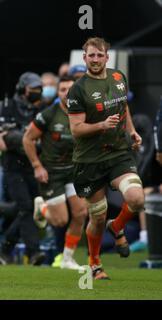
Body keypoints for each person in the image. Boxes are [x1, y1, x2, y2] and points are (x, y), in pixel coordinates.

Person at [67, 37, 144, 280]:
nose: (96, 59)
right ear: (85, 58)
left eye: (100, 55)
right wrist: (101, 124)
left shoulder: (119, 78)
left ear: (107, 57)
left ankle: (118, 226)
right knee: (97, 216)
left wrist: (131, 131)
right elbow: (76, 129)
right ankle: (94, 264)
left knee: (137, 198)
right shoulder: (78, 89)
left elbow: (124, 108)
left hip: (119, 152)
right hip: (89, 160)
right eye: (91, 55)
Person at [22, 75, 87, 270]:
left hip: (74, 171)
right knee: (61, 220)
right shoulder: (49, 114)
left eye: (70, 89)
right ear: (58, 93)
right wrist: (37, 166)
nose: (66, 93)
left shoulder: (84, 114)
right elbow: (27, 139)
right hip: (52, 173)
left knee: (81, 213)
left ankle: (67, 259)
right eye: (62, 89)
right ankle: (41, 208)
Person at [0, 72, 46, 266]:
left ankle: (4, 250)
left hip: (35, 165)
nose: (37, 92)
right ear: (22, 89)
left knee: (32, 209)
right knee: (26, 207)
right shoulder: (5, 107)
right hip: (12, 167)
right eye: (33, 89)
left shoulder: (41, 110)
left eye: (39, 89)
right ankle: (33, 253)